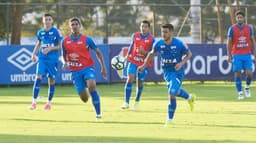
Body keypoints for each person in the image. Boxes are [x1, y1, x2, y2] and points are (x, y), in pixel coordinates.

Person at [138, 24, 196, 127]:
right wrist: (143, 65)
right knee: (175, 91)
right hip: (167, 72)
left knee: (171, 92)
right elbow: (151, 54)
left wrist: (181, 63)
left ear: (171, 33)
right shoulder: (158, 44)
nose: (163, 34)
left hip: (177, 72)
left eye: (166, 32)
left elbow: (189, 54)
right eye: (162, 32)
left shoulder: (179, 43)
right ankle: (189, 97)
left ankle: (169, 120)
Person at [61, 17, 107, 119]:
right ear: (70, 27)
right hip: (75, 72)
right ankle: (84, 87)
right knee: (85, 99)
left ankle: (98, 114)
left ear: (80, 26)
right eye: (72, 24)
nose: (74, 26)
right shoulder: (65, 41)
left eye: (76, 24)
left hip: (87, 68)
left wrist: (103, 67)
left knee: (92, 86)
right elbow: (63, 55)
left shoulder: (87, 40)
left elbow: (98, 53)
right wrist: (64, 62)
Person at [29, 13, 62, 110]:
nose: (47, 21)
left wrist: (51, 48)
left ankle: (48, 103)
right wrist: (33, 54)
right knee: (38, 77)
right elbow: (39, 43)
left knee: (51, 81)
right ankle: (34, 103)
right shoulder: (40, 32)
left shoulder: (56, 32)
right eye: (46, 19)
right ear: (43, 21)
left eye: (49, 19)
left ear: (52, 21)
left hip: (52, 60)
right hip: (42, 59)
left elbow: (60, 46)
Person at [121, 20, 155, 110]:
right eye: (142, 26)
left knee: (139, 83)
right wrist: (128, 55)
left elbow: (153, 53)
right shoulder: (135, 35)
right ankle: (126, 102)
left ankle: (137, 101)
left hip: (143, 64)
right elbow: (132, 46)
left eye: (145, 27)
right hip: (133, 61)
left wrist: (145, 52)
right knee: (130, 78)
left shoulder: (152, 39)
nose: (143, 28)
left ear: (148, 28)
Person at [227, 10, 256, 100]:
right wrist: (229, 55)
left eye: (241, 17)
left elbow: (252, 40)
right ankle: (240, 93)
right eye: (238, 17)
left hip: (247, 54)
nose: (239, 19)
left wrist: (254, 53)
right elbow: (229, 42)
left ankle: (247, 87)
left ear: (244, 18)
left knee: (250, 73)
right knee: (238, 73)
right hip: (236, 54)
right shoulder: (232, 28)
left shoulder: (249, 28)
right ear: (236, 18)